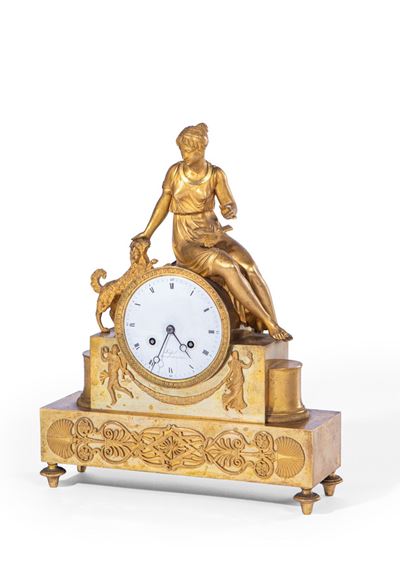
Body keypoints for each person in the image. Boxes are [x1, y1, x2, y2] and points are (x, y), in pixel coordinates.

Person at [133, 123, 291, 341]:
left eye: (188, 150)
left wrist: (229, 210)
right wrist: (147, 233)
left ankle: (268, 322)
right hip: (187, 239)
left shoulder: (216, 174)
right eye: (182, 150)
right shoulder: (175, 172)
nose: (184, 155)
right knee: (227, 265)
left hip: (214, 233)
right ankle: (271, 324)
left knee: (250, 266)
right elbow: (164, 203)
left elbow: (229, 204)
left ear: (201, 149)